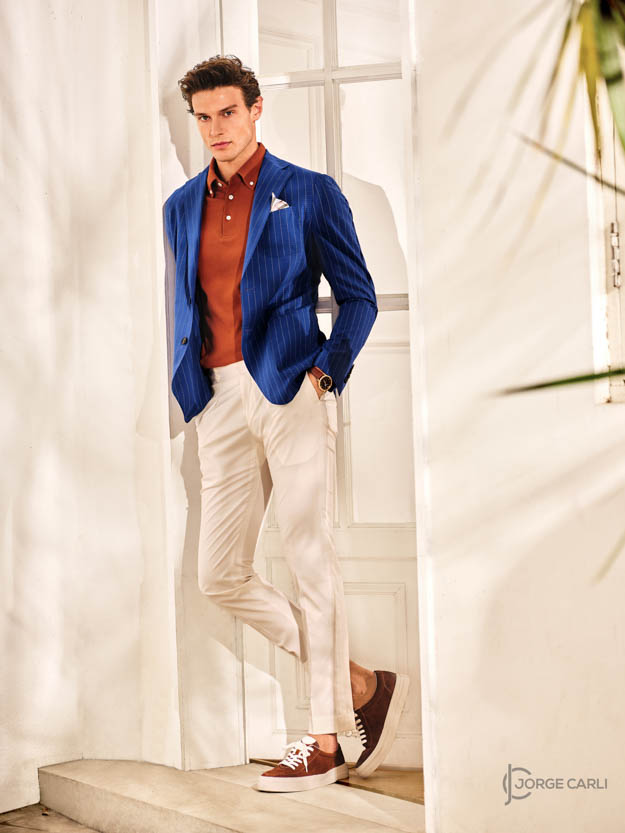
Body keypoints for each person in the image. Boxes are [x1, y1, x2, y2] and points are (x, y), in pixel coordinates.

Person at [163, 54, 409, 792]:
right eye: (203, 118)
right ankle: (359, 684)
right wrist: (193, 387)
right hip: (216, 397)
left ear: (255, 109)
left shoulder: (306, 191)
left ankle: (323, 739)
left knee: (308, 559)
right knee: (219, 574)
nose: (215, 129)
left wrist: (325, 372)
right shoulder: (180, 205)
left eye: (227, 113)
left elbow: (359, 296)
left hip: (291, 387)